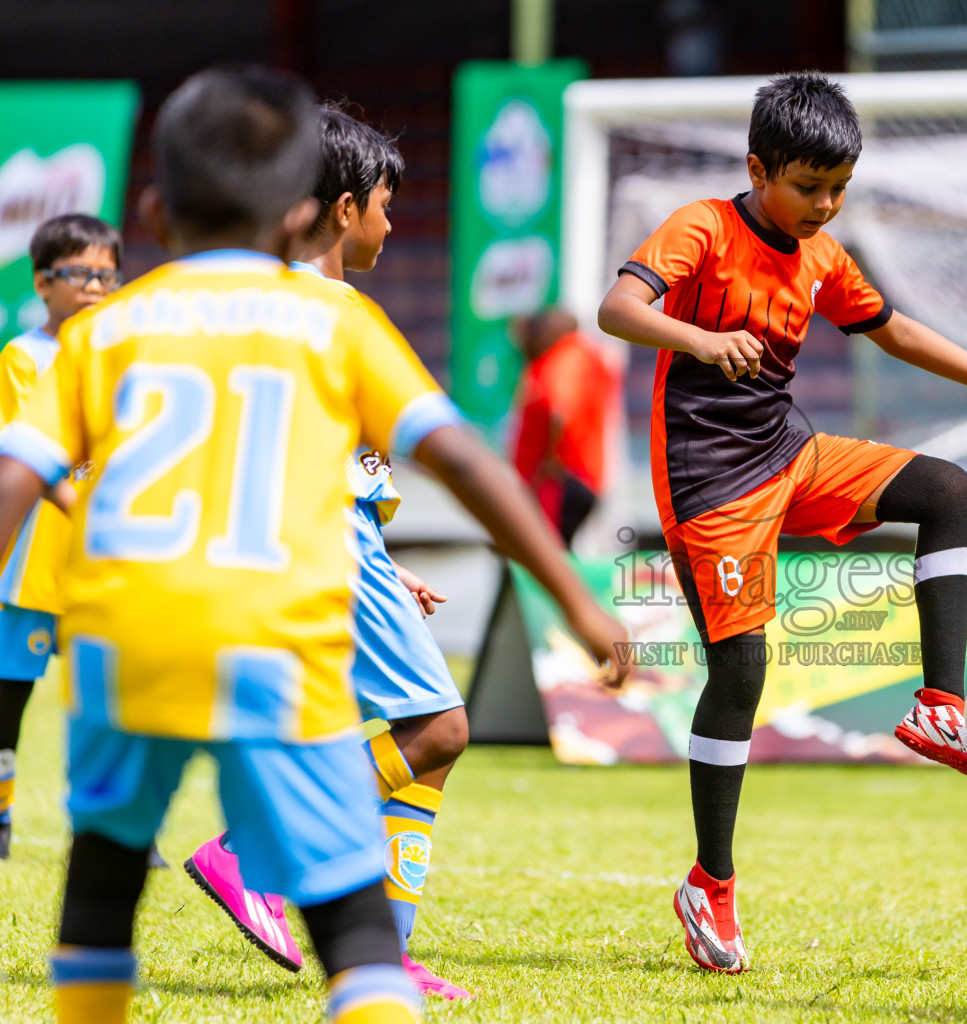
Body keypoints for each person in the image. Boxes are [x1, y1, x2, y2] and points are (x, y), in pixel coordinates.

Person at [0, 65, 628, 1024]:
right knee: (353, 931)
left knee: (99, 899)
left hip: (123, 643)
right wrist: (576, 601)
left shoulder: (105, 330)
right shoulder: (333, 324)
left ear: (158, 213)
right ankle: (358, 957)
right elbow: (467, 461)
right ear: (303, 218)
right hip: (276, 642)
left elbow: (16, 480)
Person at [597, 70, 967, 974]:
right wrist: (701, 339)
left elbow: (894, 328)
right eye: (808, 187)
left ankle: (940, 708)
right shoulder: (704, 228)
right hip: (711, 490)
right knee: (742, 674)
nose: (825, 205)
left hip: (789, 459)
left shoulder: (824, 255)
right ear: (759, 169)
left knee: (947, 490)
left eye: (839, 189)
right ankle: (709, 883)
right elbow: (617, 309)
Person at [182, 106, 470, 1000]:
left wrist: (385, 557)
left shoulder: (265, 306)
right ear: (346, 209)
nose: (391, 221)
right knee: (439, 729)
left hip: (324, 542)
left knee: (433, 742)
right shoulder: (333, 310)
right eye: (386, 202)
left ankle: (386, 948)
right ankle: (248, 850)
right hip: (331, 543)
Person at [0, 214, 119, 861]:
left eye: (107, 272)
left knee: (110, 698)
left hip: (105, 564)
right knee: (8, 698)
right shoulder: (23, 357)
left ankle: (123, 827)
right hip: (36, 562)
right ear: (45, 283)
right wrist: (84, 505)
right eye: (82, 273)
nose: (97, 285)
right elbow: (30, 455)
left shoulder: (120, 355)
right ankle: (2, 812)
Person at [509, 308, 614, 545]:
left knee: (545, 554)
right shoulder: (585, 355)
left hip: (560, 480)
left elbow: (559, 412)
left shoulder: (565, 357)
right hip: (578, 476)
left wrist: (549, 460)